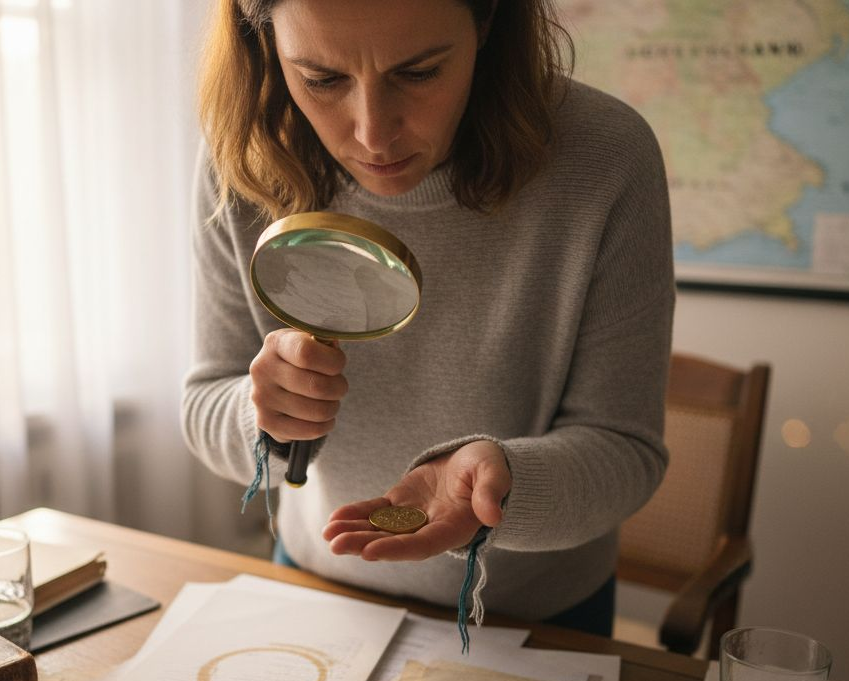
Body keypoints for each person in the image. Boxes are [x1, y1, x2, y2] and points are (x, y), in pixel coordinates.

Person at [181, 0, 674, 640]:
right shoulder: (243, 157)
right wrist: (265, 417)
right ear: (264, 41)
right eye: (322, 80)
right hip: (316, 586)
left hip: (535, 619)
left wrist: (500, 485)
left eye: (418, 73)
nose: (372, 134)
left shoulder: (606, 157)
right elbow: (204, 401)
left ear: (489, 24)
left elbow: (625, 451)